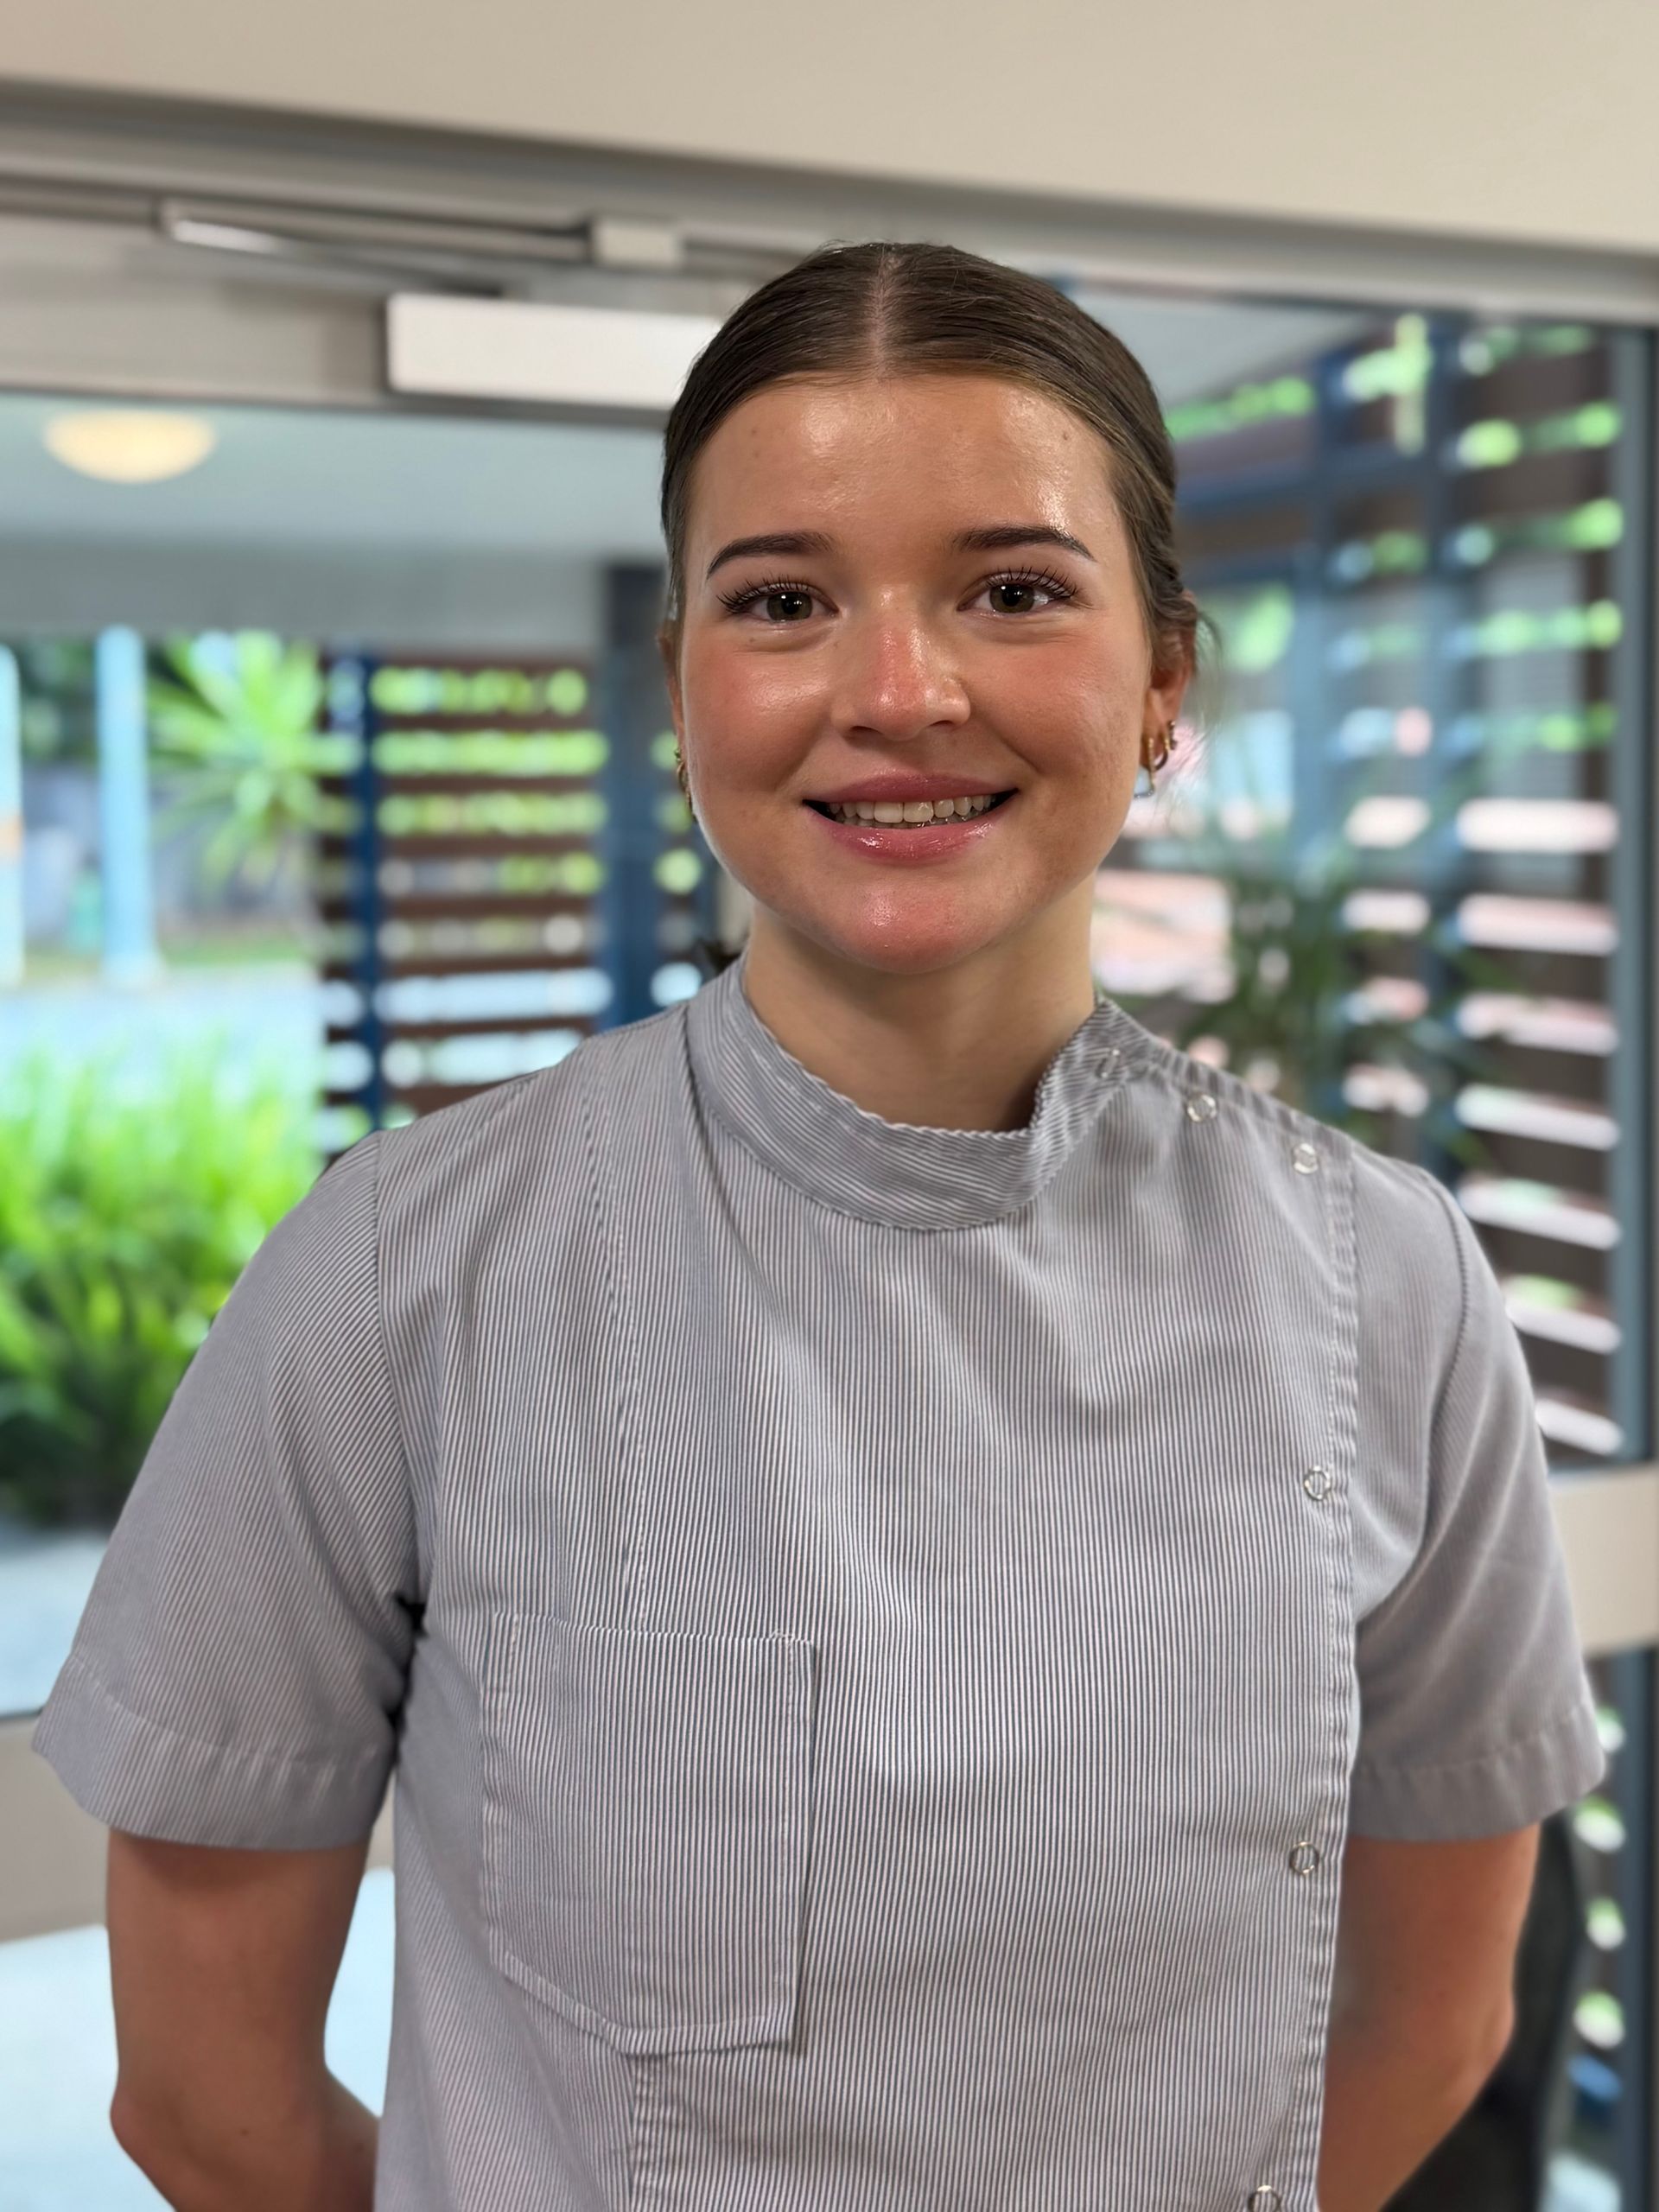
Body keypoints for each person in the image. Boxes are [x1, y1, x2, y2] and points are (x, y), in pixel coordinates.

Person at [33, 239, 1605, 2212]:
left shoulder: (1390, 1281)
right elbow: (204, 2097)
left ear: (1164, 688)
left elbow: (1425, 2022)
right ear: (684, 682)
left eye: (1014, 589)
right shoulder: (397, 1276)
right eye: (783, 599)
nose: (896, 691)